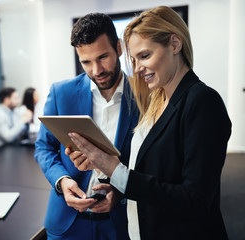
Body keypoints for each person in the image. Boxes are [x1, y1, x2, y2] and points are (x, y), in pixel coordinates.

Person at [67, 6, 232, 240]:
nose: (137, 68)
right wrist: (110, 176)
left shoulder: (202, 101)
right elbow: (153, 171)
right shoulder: (158, 98)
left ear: (175, 44)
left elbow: (194, 200)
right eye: (133, 59)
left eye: (145, 56)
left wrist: (115, 170)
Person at [35, 13, 138, 239]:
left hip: (120, 222)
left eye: (103, 57)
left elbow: (152, 161)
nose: (96, 70)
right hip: (67, 222)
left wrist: (121, 191)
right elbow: (43, 148)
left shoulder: (144, 97)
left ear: (119, 48)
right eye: (86, 62)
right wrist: (62, 181)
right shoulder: (61, 93)